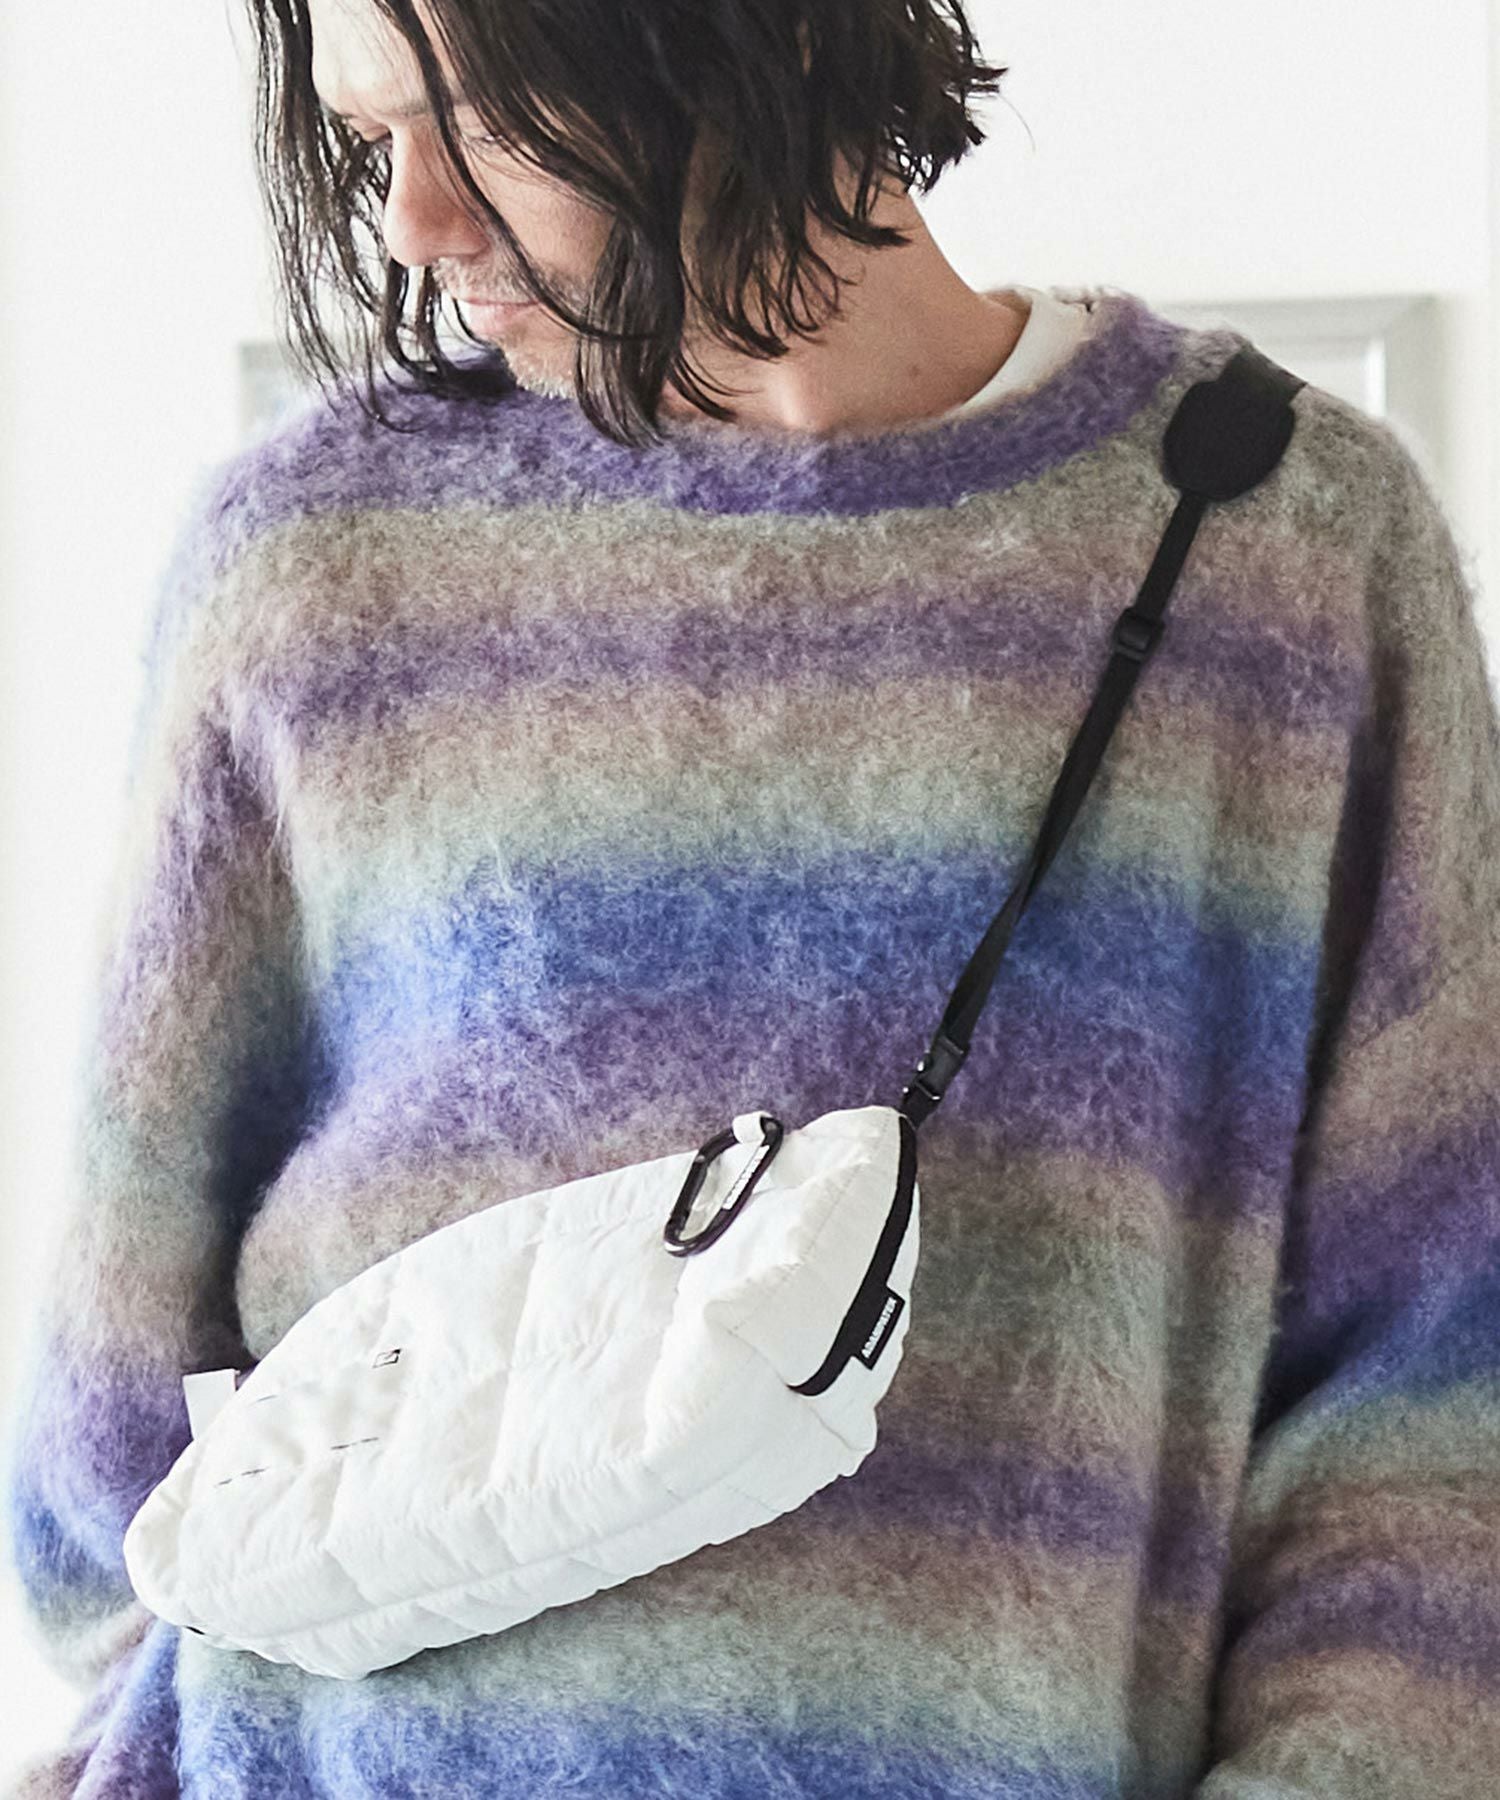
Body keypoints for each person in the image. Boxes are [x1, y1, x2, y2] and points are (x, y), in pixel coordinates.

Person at [4, 0, 1498, 1794]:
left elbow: (1431, 1400)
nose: (410, 221)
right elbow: (115, 1421)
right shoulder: (315, 558)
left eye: (476, 120)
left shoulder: (1281, 549)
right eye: (365, 134)